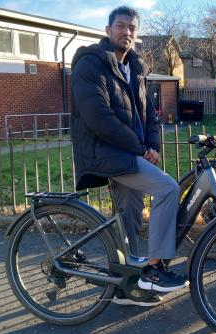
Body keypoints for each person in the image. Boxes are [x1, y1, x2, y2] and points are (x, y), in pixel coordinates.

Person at [70, 6, 187, 306]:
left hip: (129, 153)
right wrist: (140, 148)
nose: (127, 32)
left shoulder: (137, 69)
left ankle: (126, 287)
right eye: (121, 26)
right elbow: (99, 118)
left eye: (132, 28)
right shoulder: (90, 65)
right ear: (108, 30)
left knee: (130, 216)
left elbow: (150, 116)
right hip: (106, 153)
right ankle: (153, 269)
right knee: (167, 188)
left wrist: (154, 147)